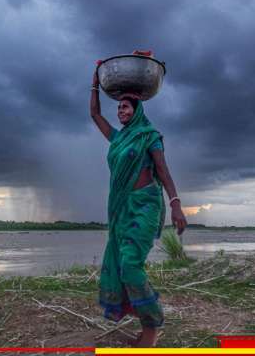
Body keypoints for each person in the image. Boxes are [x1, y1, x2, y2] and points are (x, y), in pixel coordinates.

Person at [90, 57, 188, 347]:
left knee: (131, 266)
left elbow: (163, 171)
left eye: (125, 107)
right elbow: (95, 115)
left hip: (145, 206)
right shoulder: (118, 139)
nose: (120, 111)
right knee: (123, 267)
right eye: (118, 107)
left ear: (137, 110)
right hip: (122, 210)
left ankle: (153, 327)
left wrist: (175, 203)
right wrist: (95, 81)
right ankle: (147, 324)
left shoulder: (149, 137)